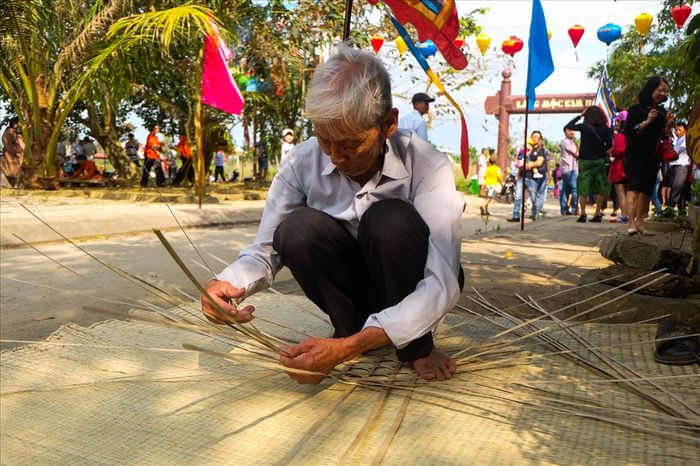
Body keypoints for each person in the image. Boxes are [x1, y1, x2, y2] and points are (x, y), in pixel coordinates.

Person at [200, 43, 464, 384]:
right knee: (297, 229)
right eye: (326, 141)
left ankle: (415, 346)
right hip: (350, 296)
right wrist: (226, 283)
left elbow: (442, 279)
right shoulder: (301, 162)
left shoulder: (428, 165)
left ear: (388, 123)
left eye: (351, 144)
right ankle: (350, 328)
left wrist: (348, 348)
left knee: (390, 220)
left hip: (405, 284)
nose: (336, 157)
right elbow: (266, 250)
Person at [624, 77, 673, 236]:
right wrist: (646, 122)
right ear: (651, 89)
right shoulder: (636, 109)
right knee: (634, 188)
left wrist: (667, 128)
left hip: (653, 156)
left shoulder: (662, 111)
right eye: (660, 89)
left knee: (646, 191)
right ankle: (631, 223)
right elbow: (629, 131)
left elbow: (662, 135)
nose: (663, 93)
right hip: (635, 155)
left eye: (665, 91)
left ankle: (640, 223)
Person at [565, 106, 612, 223]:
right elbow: (609, 145)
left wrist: (580, 116)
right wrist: (601, 148)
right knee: (600, 187)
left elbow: (568, 126)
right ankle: (597, 214)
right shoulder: (606, 129)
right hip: (599, 160)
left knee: (583, 186)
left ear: (587, 115)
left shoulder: (584, 127)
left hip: (585, 161)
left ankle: (583, 213)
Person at [507, 133, 546, 222]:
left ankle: (535, 215)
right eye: (533, 136)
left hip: (531, 178)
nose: (535, 138)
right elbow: (518, 161)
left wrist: (528, 165)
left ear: (539, 139)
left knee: (533, 198)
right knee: (517, 196)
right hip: (522, 176)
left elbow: (539, 162)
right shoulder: (523, 150)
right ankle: (516, 215)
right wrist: (519, 169)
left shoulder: (540, 150)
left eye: (537, 137)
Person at [608, 119, 629, 223]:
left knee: (621, 193)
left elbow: (619, 150)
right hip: (630, 167)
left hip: (620, 167)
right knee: (628, 192)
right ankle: (629, 215)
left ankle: (624, 215)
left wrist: (612, 151)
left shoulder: (620, 136)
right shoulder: (633, 136)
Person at [667, 122, 690, 210]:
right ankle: (682, 213)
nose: (677, 132)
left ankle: (668, 212)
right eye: (676, 130)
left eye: (679, 130)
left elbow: (675, 153)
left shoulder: (685, 139)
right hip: (676, 168)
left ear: (685, 130)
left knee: (675, 190)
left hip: (681, 168)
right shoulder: (679, 140)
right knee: (681, 192)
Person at [559, 128, 579, 215]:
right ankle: (574, 209)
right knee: (575, 189)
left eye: (573, 130)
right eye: (569, 130)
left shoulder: (572, 142)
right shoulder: (566, 142)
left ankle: (564, 210)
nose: (572, 132)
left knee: (565, 190)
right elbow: (577, 154)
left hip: (569, 169)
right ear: (564, 132)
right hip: (569, 169)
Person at [1, 117, 24, 188]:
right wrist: (17, 153)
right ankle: (17, 184)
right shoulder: (9, 131)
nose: (21, 124)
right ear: (15, 124)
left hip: (16, 154)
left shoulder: (15, 132)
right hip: (12, 155)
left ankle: (17, 184)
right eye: (19, 122)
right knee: (18, 168)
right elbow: (8, 144)